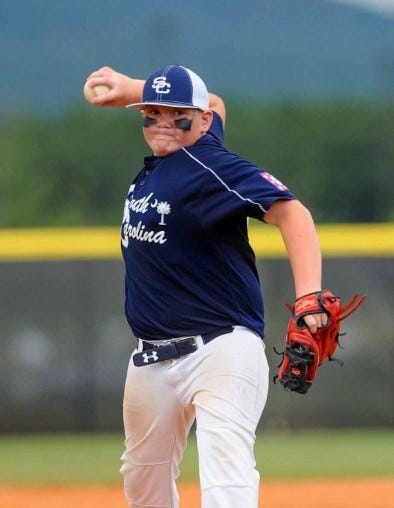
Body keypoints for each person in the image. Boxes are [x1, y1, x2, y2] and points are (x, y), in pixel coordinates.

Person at [85, 65, 327, 508]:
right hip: (151, 358)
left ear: (199, 121)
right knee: (143, 484)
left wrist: (309, 296)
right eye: (150, 113)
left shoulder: (215, 166)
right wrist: (132, 90)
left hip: (220, 349)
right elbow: (215, 103)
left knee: (225, 471)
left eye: (176, 114)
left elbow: (293, 214)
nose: (162, 122)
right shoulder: (186, 145)